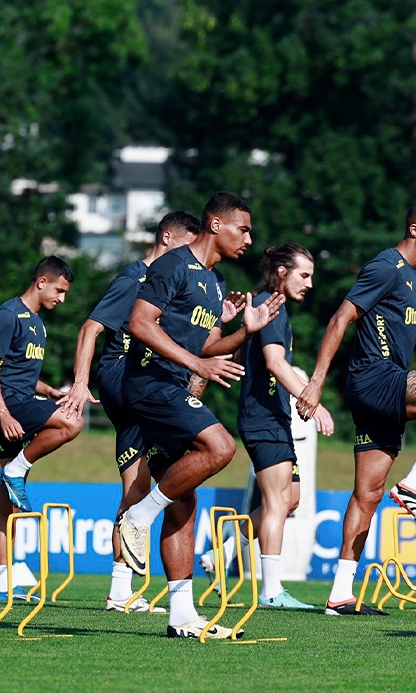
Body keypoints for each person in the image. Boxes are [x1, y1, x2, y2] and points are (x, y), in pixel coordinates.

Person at [294, 201, 416, 616]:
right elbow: (340, 318)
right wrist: (316, 381)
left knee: (368, 494)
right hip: (374, 379)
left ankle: (339, 594)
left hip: (384, 386)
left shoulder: (415, 276)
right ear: (414, 230)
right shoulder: (386, 266)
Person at [113, 191, 283, 639]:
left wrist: (244, 332)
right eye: (242, 229)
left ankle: (182, 616)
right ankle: (139, 516)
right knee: (221, 446)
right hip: (148, 381)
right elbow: (139, 323)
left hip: (170, 384)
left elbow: (205, 347)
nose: (249, 238)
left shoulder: (215, 281)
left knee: (184, 501)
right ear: (215, 225)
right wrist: (197, 366)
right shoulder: (171, 265)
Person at [58, 210, 199, 612]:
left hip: (139, 383)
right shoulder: (138, 277)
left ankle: (120, 590)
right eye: (190, 244)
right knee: (182, 475)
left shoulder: (172, 283)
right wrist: (81, 383)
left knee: (137, 488)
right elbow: (90, 329)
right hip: (125, 379)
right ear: (169, 239)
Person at [231, 243, 333, 610]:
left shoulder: (275, 307)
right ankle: (272, 590)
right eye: (303, 275)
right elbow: (275, 363)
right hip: (262, 418)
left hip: (274, 417)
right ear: (280, 272)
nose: (309, 283)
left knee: (291, 498)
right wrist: (312, 401)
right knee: (277, 501)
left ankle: (226, 547)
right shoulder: (267, 305)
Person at [0, 256, 82, 602]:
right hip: (3, 407)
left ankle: (6, 584)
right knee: (72, 422)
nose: (62, 299)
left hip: (17, 402)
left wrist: (49, 390)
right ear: (41, 281)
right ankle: (18, 468)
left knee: (8, 505)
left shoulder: (38, 322)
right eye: (60, 290)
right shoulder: (9, 314)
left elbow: (18, 371)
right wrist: (5, 414)